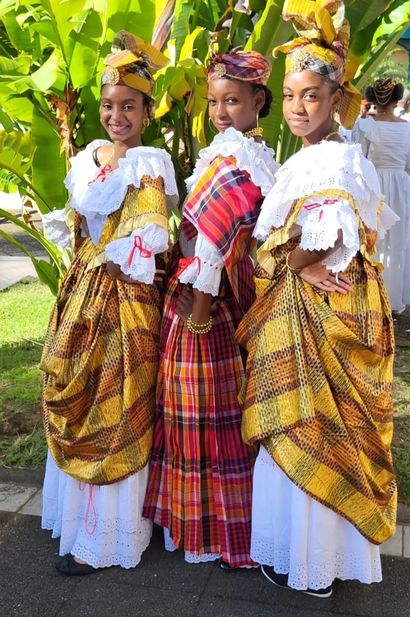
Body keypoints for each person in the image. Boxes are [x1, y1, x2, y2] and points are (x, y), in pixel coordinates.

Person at [236, 0, 398, 598]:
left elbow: (322, 236)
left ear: (337, 100)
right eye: (290, 96)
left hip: (320, 315)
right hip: (315, 305)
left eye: (311, 95)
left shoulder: (333, 157)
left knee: (309, 424)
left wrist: (287, 265)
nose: (299, 107)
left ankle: (313, 560)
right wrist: (296, 262)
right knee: (305, 426)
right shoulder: (317, 157)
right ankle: (310, 554)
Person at [40, 31, 178, 575]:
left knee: (115, 405)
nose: (116, 116)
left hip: (125, 302)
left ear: (147, 112)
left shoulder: (149, 162)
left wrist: (114, 258)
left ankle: (102, 540)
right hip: (83, 293)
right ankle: (75, 521)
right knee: (70, 387)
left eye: (129, 106)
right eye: (108, 105)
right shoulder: (88, 158)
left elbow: (146, 237)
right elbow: (82, 229)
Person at [142, 50, 280, 568]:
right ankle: (211, 526)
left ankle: (215, 533)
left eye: (234, 100)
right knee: (206, 419)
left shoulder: (235, 161)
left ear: (257, 101)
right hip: (218, 304)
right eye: (216, 100)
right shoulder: (241, 156)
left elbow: (212, 248)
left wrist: (197, 313)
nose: (222, 110)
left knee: (201, 418)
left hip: (205, 310)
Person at [352, 78, 410, 313]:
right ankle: (393, 295)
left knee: (373, 239)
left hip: (372, 184)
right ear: (397, 99)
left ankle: (369, 293)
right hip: (400, 185)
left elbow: (358, 160)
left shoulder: (365, 126)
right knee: (398, 239)